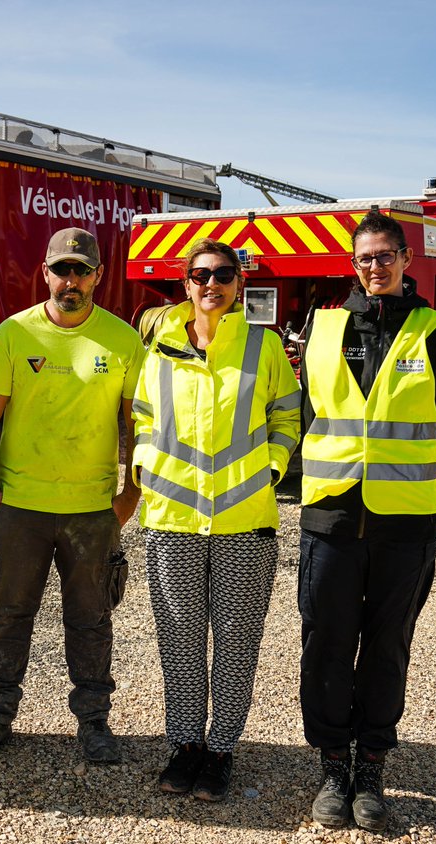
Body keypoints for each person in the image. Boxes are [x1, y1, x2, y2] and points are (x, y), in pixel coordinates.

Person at [298, 211, 436, 831]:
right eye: (365, 257)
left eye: (386, 255)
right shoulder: (322, 327)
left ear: (405, 260)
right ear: (353, 263)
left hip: (405, 521)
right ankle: (331, 767)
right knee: (327, 643)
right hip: (333, 515)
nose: (376, 266)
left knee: (387, 648)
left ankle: (370, 768)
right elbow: (313, 411)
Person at [0, 227, 143, 764]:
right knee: (8, 616)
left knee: (92, 621)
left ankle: (94, 722)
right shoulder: (15, 334)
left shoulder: (122, 341)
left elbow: (136, 426)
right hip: (21, 508)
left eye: (82, 271)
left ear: (98, 276)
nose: (71, 280)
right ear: (45, 272)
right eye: (62, 269)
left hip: (92, 510)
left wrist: (128, 496)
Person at [133, 239, 300, 801]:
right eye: (201, 275)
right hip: (173, 518)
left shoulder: (263, 346)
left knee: (235, 644)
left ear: (239, 283)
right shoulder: (160, 347)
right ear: (186, 283)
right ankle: (185, 748)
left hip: (244, 520)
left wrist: (272, 467)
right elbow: (142, 415)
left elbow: (287, 413)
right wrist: (144, 465)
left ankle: (222, 750)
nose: (212, 284)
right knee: (179, 643)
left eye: (224, 274)